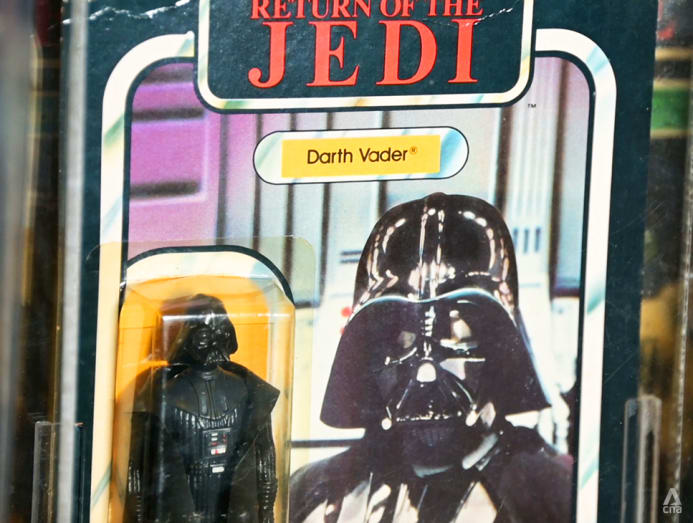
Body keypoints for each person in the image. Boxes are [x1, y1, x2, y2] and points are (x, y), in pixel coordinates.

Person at [290, 193, 572, 522]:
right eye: (402, 341)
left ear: (497, 349)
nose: (425, 372)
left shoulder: (554, 493)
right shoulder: (316, 493)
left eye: (455, 337)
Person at [125, 294, 278, 523]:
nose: (214, 343)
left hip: (235, 510)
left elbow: (265, 459)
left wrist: (266, 512)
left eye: (221, 332)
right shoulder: (163, 397)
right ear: (188, 337)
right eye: (204, 335)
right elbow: (138, 468)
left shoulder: (250, 393)